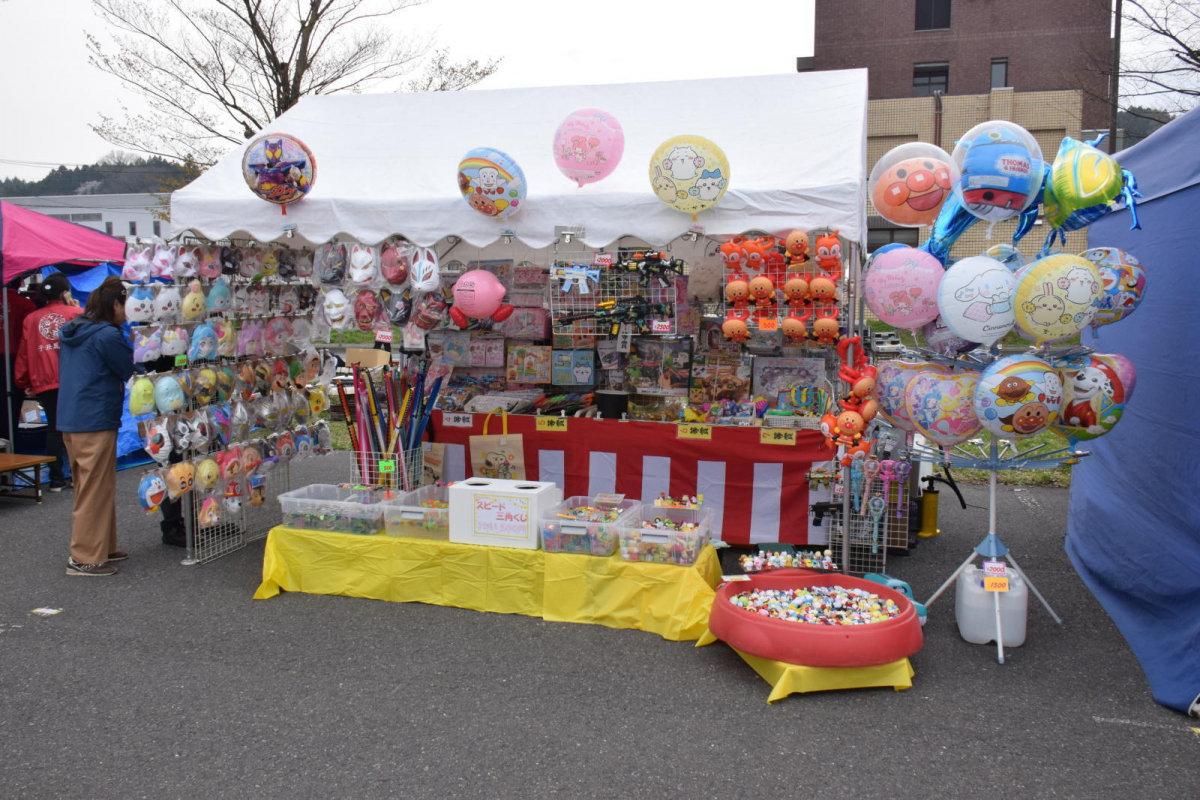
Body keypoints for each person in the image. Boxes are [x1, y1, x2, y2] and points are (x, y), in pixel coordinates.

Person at [57, 277, 133, 576]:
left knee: (94, 486)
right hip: (94, 417)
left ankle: (102, 546)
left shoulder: (77, 329)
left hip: (72, 416)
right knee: (93, 488)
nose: (129, 312)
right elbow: (130, 369)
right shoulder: (106, 335)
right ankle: (84, 558)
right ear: (115, 305)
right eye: (127, 306)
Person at [14, 273, 83, 491]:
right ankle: (76, 475)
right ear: (65, 293)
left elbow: (24, 353)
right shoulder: (77, 314)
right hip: (73, 380)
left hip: (44, 381)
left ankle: (55, 479)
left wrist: (23, 380)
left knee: (53, 428)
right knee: (76, 429)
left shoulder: (31, 318)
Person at [1, 279, 37, 448]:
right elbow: (27, 341)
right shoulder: (25, 305)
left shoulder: (25, 305)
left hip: (11, 357)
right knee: (11, 409)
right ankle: (11, 448)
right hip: (12, 360)